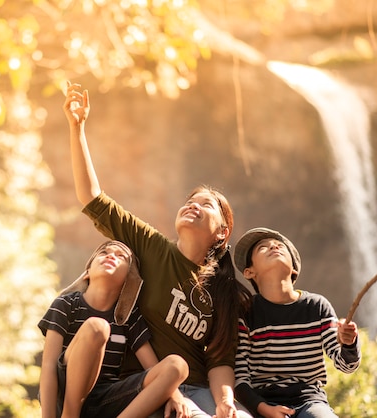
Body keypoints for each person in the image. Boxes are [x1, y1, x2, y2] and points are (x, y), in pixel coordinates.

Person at [62, 81, 252, 418]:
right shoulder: (151, 246)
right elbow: (92, 197)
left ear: (222, 232)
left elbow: (220, 361)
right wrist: (77, 128)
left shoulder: (223, 289)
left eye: (206, 204)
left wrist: (225, 401)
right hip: (149, 385)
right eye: (190, 200)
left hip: (201, 387)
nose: (193, 205)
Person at [39, 240, 191, 418]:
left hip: (105, 399)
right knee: (97, 328)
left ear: (129, 280)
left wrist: (175, 394)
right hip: (64, 397)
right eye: (104, 253)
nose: (111, 255)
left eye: (121, 257)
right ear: (87, 272)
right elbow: (48, 365)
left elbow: (153, 366)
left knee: (177, 366)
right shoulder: (66, 304)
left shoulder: (128, 317)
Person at [233, 227, 361, 418]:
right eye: (262, 247)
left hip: (310, 401)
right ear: (249, 272)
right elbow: (239, 377)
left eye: (279, 245)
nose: (274, 246)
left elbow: (346, 366)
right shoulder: (245, 313)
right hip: (261, 403)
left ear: (293, 268)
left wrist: (349, 342)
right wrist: (263, 408)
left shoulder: (316, 306)